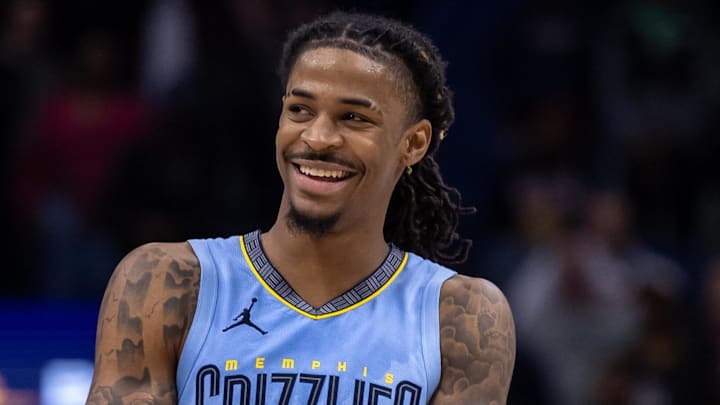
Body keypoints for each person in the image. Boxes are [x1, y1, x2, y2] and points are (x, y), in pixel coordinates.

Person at [86, 11, 516, 404]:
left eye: (353, 118)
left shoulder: (462, 317)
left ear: (414, 143)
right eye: (300, 110)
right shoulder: (165, 283)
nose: (317, 137)